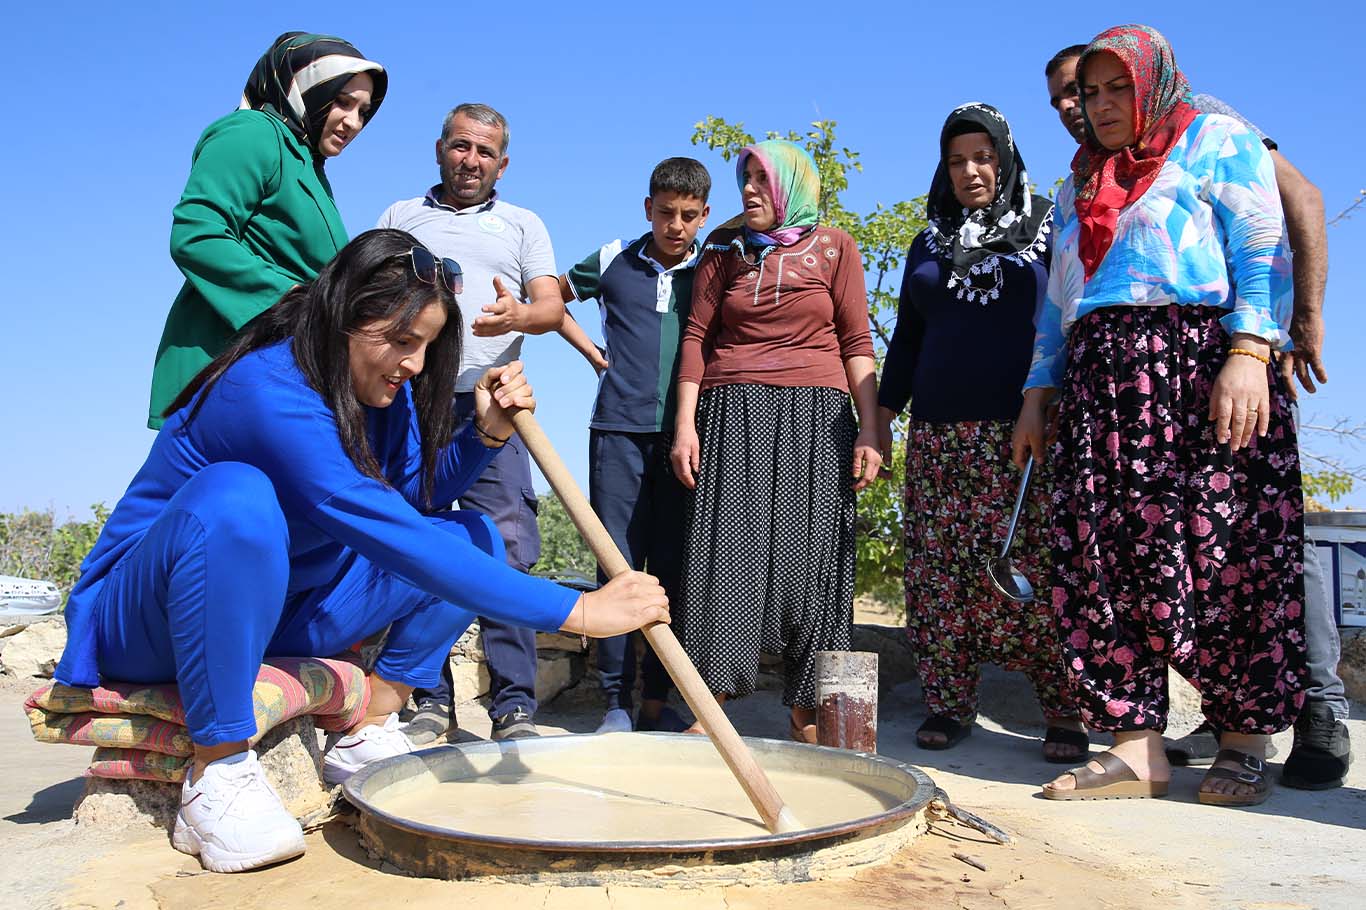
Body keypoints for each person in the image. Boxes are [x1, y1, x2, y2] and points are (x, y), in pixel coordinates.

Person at [53, 230, 669, 873]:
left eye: (427, 346)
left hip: (278, 609)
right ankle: (220, 768)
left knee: (475, 535)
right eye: (402, 341)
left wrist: (485, 433)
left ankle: (369, 716)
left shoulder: (384, 392)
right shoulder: (265, 388)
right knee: (238, 497)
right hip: (149, 618)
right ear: (345, 316)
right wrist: (579, 614)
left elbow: (409, 501)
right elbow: (386, 532)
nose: (414, 363)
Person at [1044, 42, 1349, 791]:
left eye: (1120, 87)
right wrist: (1035, 393)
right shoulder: (1079, 179)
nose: (1104, 103)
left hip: (1201, 364)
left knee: (1230, 551)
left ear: (1154, 86)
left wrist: (1251, 347)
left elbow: (1261, 241)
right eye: (1092, 90)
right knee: (1102, 559)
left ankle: (1244, 738)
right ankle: (1135, 743)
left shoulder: (1216, 138)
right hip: (1100, 378)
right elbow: (1056, 303)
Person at [876, 103, 1086, 762]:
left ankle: (1064, 710)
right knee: (941, 574)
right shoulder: (929, 240)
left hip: (1022, 434)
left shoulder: (1051, 227)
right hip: (938, 438)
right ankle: (948, 701)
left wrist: (1048, 403)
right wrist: (880, 419)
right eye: (957, 159)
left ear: (1005, 158)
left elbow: (1067, 319)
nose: (970, 171)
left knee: (1032, 568)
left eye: (983, 157)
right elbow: (908, 341)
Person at [672, 139, 882, 743]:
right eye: (745, 180)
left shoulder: (836, 246)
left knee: (812, 563)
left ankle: (810, 710)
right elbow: (696, 337)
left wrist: (872, 429)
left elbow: (856, 341)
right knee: (725, 559)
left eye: (763, 181)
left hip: (818, 415)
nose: (749, 192)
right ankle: (709, 710)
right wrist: (685, 425)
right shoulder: (723, 247)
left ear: (791, 188)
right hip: (732, 410)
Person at [378, 104, 566, 743]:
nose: (471, 161)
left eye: (485, 153)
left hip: (495, 406)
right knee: (417, 536)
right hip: (411, 398)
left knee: (508, 546)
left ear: (502, 163)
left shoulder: (522, 224)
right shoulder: (401, 218)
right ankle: (425, 696)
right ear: (439, 150)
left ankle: (514, 704)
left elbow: (548, 307)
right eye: (461, 147)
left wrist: (517, 318)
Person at [148, 32, 387, 428]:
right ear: (305, 90)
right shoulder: (252, 132)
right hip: (227, 366)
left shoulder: (307, 165)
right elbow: (197, 235)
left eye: (363, 111)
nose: (354, 122)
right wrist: (292, 299)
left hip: (283, 368)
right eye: (343, 102)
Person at [555, 158, 712, 734]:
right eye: (666, 212)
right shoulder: (612, 258)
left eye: (688, 216)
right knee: (617, 566)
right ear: (648, 208)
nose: (676, 225)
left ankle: (656, 703)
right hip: (616, 433)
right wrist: (590, 352)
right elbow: (551, 296)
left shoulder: (715, 267)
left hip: (689, 438)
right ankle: (615, 705)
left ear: (704, 216)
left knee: (675, 570)